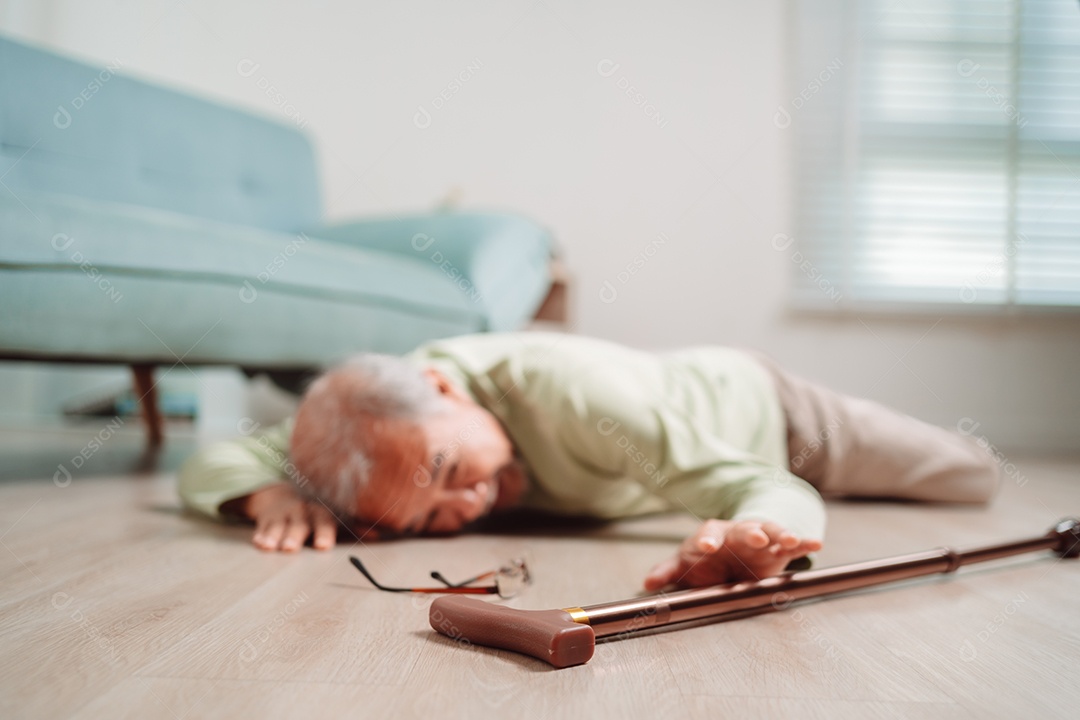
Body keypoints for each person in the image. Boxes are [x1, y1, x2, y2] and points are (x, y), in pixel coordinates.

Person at [177, 332, 999, 590]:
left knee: (969, 475)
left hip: (773, 420)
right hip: (694, 457)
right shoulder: (349, 435)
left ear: (442, 388)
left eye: (448, 473)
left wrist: (761, 532)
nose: (465, 508)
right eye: (426, 520)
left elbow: (762, 482)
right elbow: (207, 461)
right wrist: (262, 495)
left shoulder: (573, 399)